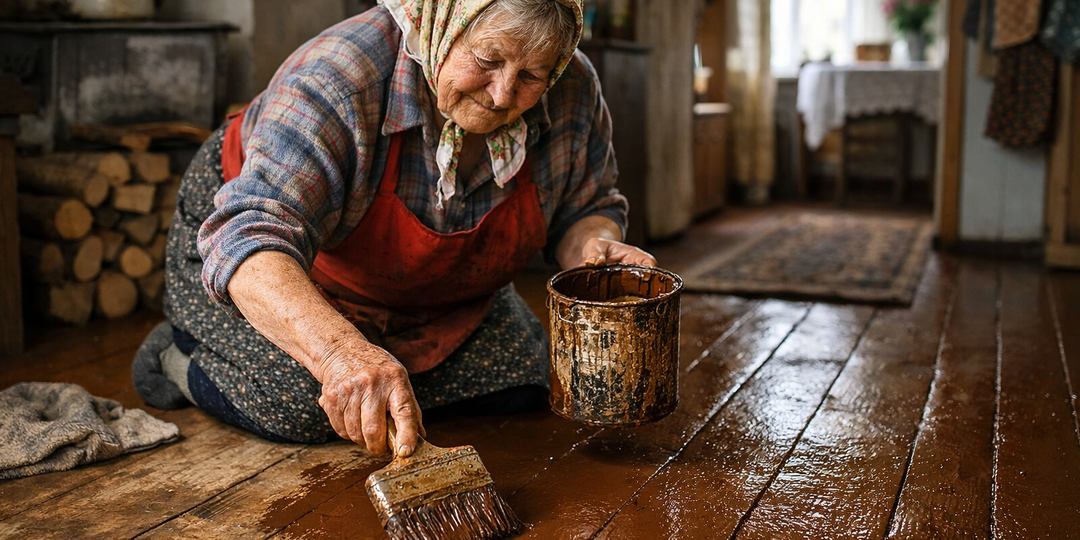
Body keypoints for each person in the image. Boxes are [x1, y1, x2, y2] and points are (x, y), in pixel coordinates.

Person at [132, 0, 655, 458]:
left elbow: (586, 204)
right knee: (306, 405)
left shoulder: (573, 87)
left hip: (430, 285)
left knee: (528, 379)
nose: (501, 95)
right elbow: (251, 236)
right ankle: (179, 349)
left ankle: (385, 356)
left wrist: (594, 245)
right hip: (267, 258)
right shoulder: (340, 78)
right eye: (488, 60)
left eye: (531, 76)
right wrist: (342, 355)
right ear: (444, 23)